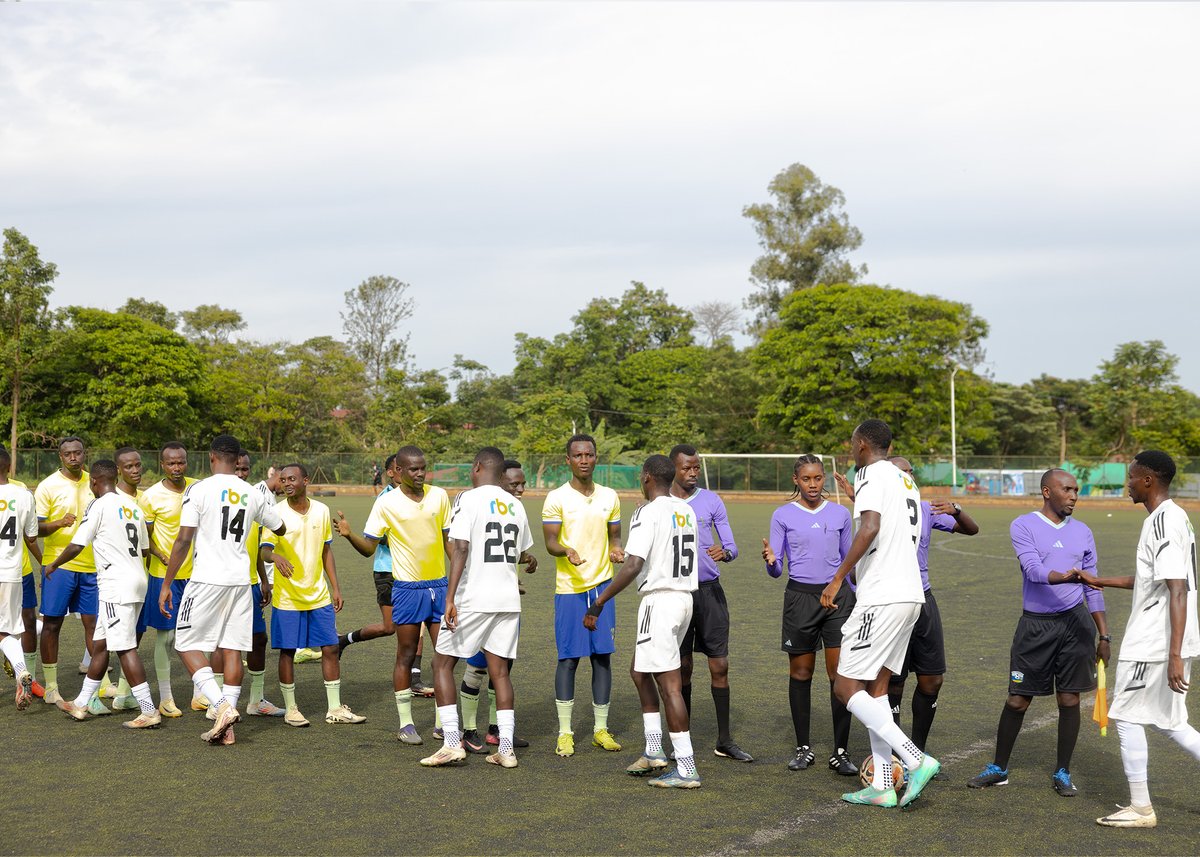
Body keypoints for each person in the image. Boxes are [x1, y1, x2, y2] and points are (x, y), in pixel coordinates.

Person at [821, 419, 940, 808]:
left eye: (852, 444)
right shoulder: (906, 481)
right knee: (877, 690)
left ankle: (916, 759)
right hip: (910, 595)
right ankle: (883, 786)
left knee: (845, 687)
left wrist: (839, 577)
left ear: (860, 445)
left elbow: (870, 526)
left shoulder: (871, 472)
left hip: (882, 596)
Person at [968, 468, 1109, 796]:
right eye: (1067, 490)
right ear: (1047, 491)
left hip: (1076, 624)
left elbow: (1094, 586)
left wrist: (1104, 634)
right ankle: (999, 768)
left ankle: (1062, 772)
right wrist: (1071, 576)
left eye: (1076, 490)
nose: (1074, 496)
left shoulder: (1084, 532)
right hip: (1036, 625)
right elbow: (1033, 570)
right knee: (1017, 699)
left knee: (1069, 698)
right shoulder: (1023, 525)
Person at [1078, 451, 1200, 828]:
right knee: (1171, 722)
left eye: (1131, 477)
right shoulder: (1171, 518)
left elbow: (1176, 589)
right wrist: (1101, 580)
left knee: (1127, 716)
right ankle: (1140, 806)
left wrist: (1174, 654)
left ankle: (1141, 808)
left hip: (1155, 643)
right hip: (1167, 641)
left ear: (1148, 480)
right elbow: (1155, 581)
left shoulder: (1164, 521)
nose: (1127, 483)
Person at [838, 456, 979, 753]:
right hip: (889, 598)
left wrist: (957, 509)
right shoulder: (880, 505)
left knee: (931, 680)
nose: (908, 476)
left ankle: (917, 751)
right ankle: (898, 754)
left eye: (911, 472)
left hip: (919, 598)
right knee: (888, 684)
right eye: (902, 472)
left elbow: (970, 529)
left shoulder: (924, 508)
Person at [159, 434, 286, 746]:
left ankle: (221, 706)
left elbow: (184, 539)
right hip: (241, 583)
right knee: (232, 649)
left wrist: (166, 583)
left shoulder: (199, 489)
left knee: (185, 644)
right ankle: (227, 729)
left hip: (206, 580)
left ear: (212, 457)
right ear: (236, 460)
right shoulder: (252, 492)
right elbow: (280, 526)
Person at [583, 454, 701, 788]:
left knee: (669, 684)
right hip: (684, 598)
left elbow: (634, 564)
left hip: (660, 600)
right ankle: (653, 750)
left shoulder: (647, 512)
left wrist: (600, 602)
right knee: (639, 671)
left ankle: (687, 767)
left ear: (647, 477)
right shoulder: (685, 508)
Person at [420, 447, 535, 769]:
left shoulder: (467, 499)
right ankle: (507, 750)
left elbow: (460, 548)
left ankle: (451, 743)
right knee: (500, 673)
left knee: (441, 664)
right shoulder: (515, 504)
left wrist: (450, 596)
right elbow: (523, 552)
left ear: (478, 467)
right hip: (508, 599)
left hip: (474, 596)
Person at [337, 445, 451, 744]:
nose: (420, 473)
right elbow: (369, 549)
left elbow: (448, 541)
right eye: (413, 469)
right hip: (407, 589)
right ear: (398, 471)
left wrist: (459, 580)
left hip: (439, 586)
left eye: (423, 467)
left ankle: (443, 723)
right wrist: (350, 535)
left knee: (444, 655)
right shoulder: (386, 503)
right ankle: (406, 724)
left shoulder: (439, 496)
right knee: (405, 653)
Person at [47, 459, 161, 728]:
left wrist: (53, 564)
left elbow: (77, 544)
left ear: (95, 481)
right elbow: (145, 549)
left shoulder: (99, 505)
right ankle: (81, 703)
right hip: (136, 579)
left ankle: (149, 710)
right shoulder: (132, 507)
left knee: (124, 647)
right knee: (101, 644)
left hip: (115, 585)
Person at [764, 454, 856, 774]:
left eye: (818, 479)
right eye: (807, 479)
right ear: (796, 480)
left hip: (837, 601)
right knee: (801, 674)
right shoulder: (782, 515)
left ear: (824, 480)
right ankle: (803, 748)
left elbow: (849, 561)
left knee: (839, 676)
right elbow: (776, 570)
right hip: (800, 599)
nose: (813, 485)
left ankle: (840, 751)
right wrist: (772, 560)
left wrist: (854, 594)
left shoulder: (841, 514)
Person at [260, 463, 364, 727]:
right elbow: (263, 551)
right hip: (288, 598)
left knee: (329, 647)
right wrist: (275, 556)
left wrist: (335, 587)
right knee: (287, 651)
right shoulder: (275, 513)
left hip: (318, 595)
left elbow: (326, 551)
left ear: (306, 481)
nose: (286, 484)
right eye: (282, 480)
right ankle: (291, 709)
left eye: (292, 479)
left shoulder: (321, 510)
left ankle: (334, 708)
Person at [668, 443, 752, 763]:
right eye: (686, 468)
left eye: (696, 467)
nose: (692, 473)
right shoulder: (661, 503)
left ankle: (724, 740)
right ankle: (682, 741)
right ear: (673, 468)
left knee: (719, 664)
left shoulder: (711, 500)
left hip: (709, 592)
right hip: (677, 593)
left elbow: (731, 546)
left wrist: (725, 552)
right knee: (683, 667)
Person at [543, 433, 625, 757]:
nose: (584, 460)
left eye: (589, 455)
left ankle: (600, 730)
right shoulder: (556, 498)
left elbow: (615, 537)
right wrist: (566, 550)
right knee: (568, 659)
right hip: (570, 590)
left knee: (602, 657)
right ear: (568, 460)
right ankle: (565, 732)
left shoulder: (610, 496)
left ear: (596, 457)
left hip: (603, 587)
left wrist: (617, 552)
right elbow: (550, 541)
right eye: (577, 456)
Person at [460, 458, 536, 753]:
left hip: (506, 600)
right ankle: (467, 730)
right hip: (478, 599)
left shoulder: (514, 509)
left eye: (522, 484)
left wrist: (526, 559)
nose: (519, 489)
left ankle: (495, 730)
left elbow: (504, 552)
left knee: (502, 667)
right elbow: (462, 548)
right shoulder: (473, 501)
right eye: (514, 483)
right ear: (499, 480)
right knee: (477, 668)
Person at [35, 436, 103, 711]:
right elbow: (36, 529)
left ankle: (100, 682)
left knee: (96, 625)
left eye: (78, 452)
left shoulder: (95, 482)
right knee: (52, 624)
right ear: (60, 457)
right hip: (58, 565)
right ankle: (51, 687)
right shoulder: (47, 486)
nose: (74, 457)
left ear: (85, 454)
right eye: (68, 454)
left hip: (92, 565)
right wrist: (58, 523)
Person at [231, 448, 285, 717]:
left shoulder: (253, 497)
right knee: (224, 643)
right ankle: (218, 702)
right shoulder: (216, 496)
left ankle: (256, 699)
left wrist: (264, 579)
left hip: (251, 580)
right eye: (237, 468)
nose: (242, 474)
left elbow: (254, 545)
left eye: (245, 469)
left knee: (258, 638)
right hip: (224, 582)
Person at [335, 454, 399, 656]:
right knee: (390, 627)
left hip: (416, 571)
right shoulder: (385, 499)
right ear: (390, 472)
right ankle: (344, 640)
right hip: (387, 569)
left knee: (418, 623)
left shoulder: (420, 496)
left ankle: (414, 675)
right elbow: (375, 537)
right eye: (400, 467)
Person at [0, 446, 42, 710]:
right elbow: (32, 537)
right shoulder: (24, 495)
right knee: (8, 629)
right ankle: (21, 672)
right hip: (12, 572)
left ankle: (19, 670)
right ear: (10, 468)